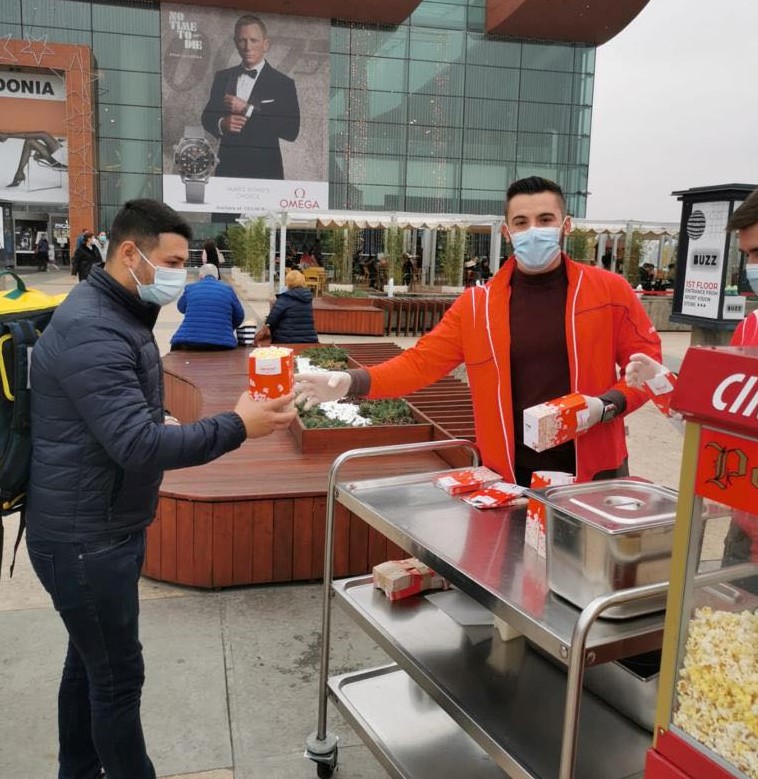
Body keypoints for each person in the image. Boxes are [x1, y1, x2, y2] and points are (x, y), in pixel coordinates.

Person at [25, 198, 296, 779]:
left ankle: (77, 770)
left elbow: (122, 424)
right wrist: (239, 425)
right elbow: (138, 447)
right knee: (118, 681)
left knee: (89, 667)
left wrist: (158, 420)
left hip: (98, 524)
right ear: (131, 253)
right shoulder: (95, 327)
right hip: (84, 540)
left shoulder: (115, 314)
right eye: (171, 261)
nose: (179, 272)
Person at [295, 176, 662, 487]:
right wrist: (350, 383)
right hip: (509, 473)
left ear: (566, 226)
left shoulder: (610, 291)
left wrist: (607, 405)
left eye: (545, 219)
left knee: (589, 572)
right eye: (521, 222)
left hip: (593, 469)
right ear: (507, 231)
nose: (533, 230)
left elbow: (648, 371)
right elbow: (420, 364)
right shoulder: (477, 306)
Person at [626, 186, 758, 585]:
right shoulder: (750, 328)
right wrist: (665, 385)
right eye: (750, 255)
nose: (752, 265)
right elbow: (718, 431)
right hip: (745, 532)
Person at [201, 14, 300, 180]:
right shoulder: (222, 76)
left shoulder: (283, 83)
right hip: (228, 168)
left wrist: (248, 109)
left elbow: (291, 131)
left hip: (266, 172)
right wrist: (222, 123)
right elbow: (207, 116)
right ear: (235, 43)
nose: (247, 47)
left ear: (265, 44)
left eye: (254, 40)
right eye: (242, 40)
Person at [171, 263, 244, 351]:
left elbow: (181, 307)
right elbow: (240, 315)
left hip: (189, 341)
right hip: (223, 343)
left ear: (200, 276)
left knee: (175, 347)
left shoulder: (190, 288)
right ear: (217, 277)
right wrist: (226, 327)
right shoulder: (228, 290)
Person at [265, 269, 318, 344]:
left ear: (288, 282)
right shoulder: (307, 299)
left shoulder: (285, 298)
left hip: (285, 340)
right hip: (309, 340)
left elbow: (271, 321)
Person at [0, 131, 66, 188]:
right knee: (29, 141)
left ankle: (7, 135)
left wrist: (41, 155)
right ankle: (19, 173)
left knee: (43, 134)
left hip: (67, 158)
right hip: (63, 153)